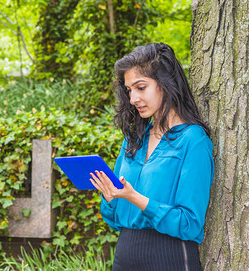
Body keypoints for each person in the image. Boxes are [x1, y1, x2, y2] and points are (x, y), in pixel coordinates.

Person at [89, 43, 214, 271]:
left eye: (141, 87)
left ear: (166, 83)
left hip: (170, 257)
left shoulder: (193, 140)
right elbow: (115, 217)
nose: (133, 98)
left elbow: (190, 223)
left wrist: (135, 197)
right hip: (124, 255)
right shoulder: (133, 140)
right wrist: (110, 195)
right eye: (129, 90)